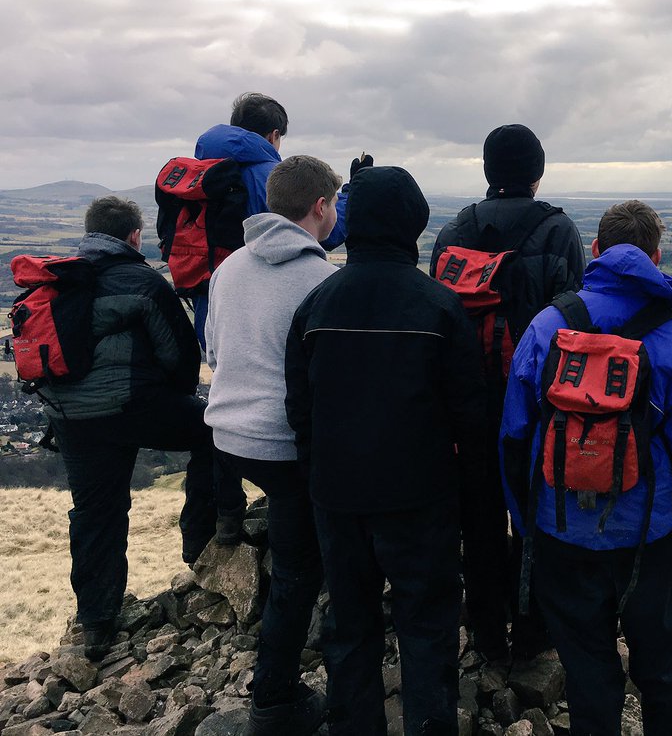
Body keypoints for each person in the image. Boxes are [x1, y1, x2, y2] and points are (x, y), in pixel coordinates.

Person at [499, 200, 672, 736]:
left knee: (587, 665)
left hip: (561, 532)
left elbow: (513, 437)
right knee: (663, 665)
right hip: (650, 538)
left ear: (594, 251)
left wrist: (528, 526)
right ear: (657, 256)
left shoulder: (547, 326)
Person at [285, 166, 487, 736]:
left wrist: (317, 477)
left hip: (337, 497)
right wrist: (470, 502)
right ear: (415, 225)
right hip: (421, 499)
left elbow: (300, 411)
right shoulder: (441, 309)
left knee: (349, 627)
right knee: (426, 625)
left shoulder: (316, 306)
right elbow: (470, 420)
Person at [430, 122, 585, 662]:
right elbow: (574, 324)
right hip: (535, 405)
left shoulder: (453, 234)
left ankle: (488, 632)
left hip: (465, 403)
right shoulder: (559, 232)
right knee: (535, 515)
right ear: (537, 174)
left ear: (487, 171)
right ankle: (534, 631)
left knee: (479, 517)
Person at [42, 196, 220, 661]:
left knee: (96, 512)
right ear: (135, 236)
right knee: (214, 433)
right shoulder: (142, 281)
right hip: (133, 406)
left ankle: (97, 625)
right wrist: (170, 396)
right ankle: (200, 541)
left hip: (71, 419)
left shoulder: (56, 280)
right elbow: (182, 359)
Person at [203, 156, 342, 735]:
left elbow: (212, 351)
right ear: (319, 207)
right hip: (281, 443)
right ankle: (275, 699)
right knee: (296, 569)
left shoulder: (229, 267)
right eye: (334, 203)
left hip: (226, 436)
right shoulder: (319, 279)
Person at [190, 92, 367, 346]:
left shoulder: (205, 172)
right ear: (274, 135)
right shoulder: (271, 177)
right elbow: (317, 230)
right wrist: (352, 192)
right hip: (265, 307)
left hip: (214, 298)